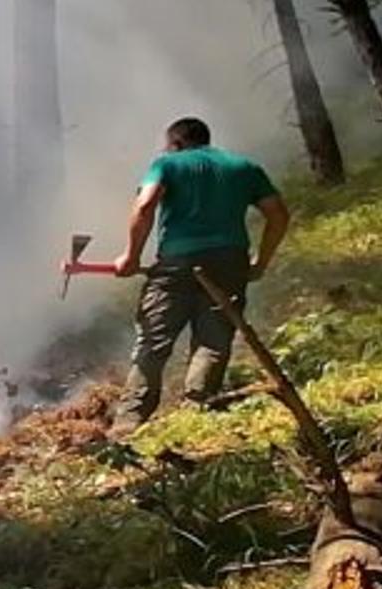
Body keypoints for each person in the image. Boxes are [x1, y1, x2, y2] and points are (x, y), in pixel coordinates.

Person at [110, 116, 290, 435]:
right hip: (229, 262)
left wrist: (132, 256)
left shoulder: (167, 164)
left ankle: (128, 423)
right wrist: (260, 262)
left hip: (176, 263)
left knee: (153, 340)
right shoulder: (244, 167)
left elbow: (145, 205)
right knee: (213, 341)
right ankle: (195, 416)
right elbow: (278, 213)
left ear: (175, 143)